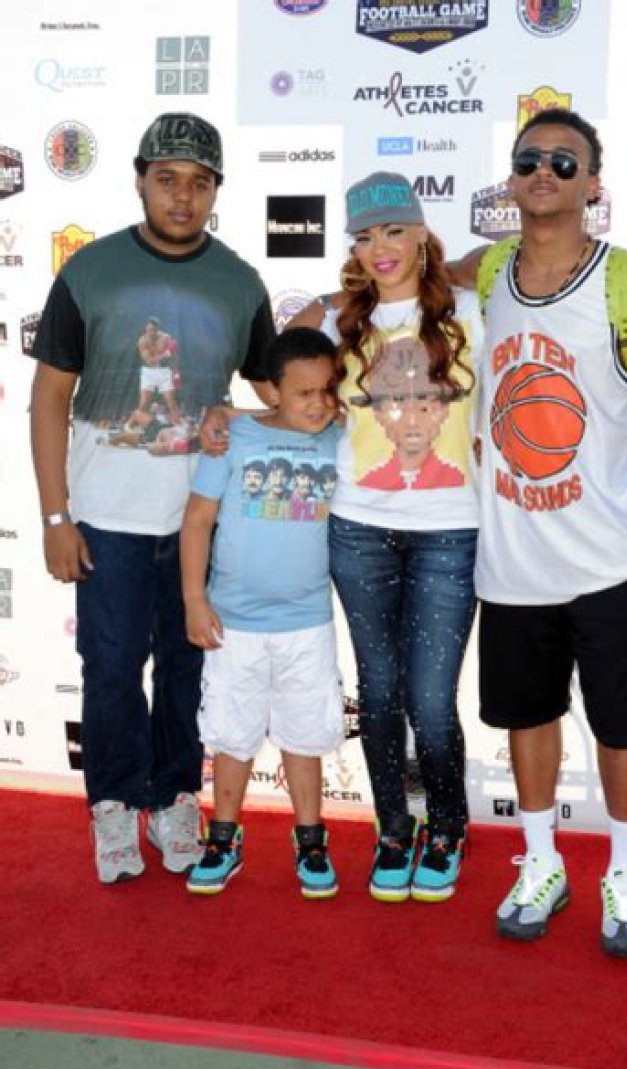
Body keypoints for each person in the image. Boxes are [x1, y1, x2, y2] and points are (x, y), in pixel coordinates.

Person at [450, 108, 627, 956]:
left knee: (622, 726)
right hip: (514, 558)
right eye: (530, 159)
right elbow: (409, 273)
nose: (544, 172)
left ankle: (626, 871)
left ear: (593, 184)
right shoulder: (490, 271)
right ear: (511, 178)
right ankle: (541, 862)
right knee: (528, 717)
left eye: (565, 162)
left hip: (615, 557)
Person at [205, 172, 484, 903]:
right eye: (364, 236)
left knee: (431, 700)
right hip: (358, 529)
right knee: (380, 692)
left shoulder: (471, 314)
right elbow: (285, 391)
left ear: (421, 233)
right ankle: (394, 830)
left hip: (451, 533)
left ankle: (447, 828)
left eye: (393, 230)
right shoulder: (336, 321)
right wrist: (232, 416)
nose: (379, 248)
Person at [29, 111, 276, 885]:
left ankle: (173, 798)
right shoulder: (90, 272)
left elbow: (279, 391)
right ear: (140, 179)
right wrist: (56, 516)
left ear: (217, 191)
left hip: (202, 522)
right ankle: (112, 805)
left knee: (186, 670)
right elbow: (49, 398)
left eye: (199, 182)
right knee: (109, 669)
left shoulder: (240, 282)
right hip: (107, 519)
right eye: (166, 179)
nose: (182, 196)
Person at [181, 326, 344, 898]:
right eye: (303, 392)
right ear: (272, 391)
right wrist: (194, 600)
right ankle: (223, 838)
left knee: (304, 736)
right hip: (234, 623)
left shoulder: (340, 438)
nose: (318, 403)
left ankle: (311, 839)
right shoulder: (233, 439)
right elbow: (197, 520)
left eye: (327, 390)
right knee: (232, 736)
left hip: (308, 623)